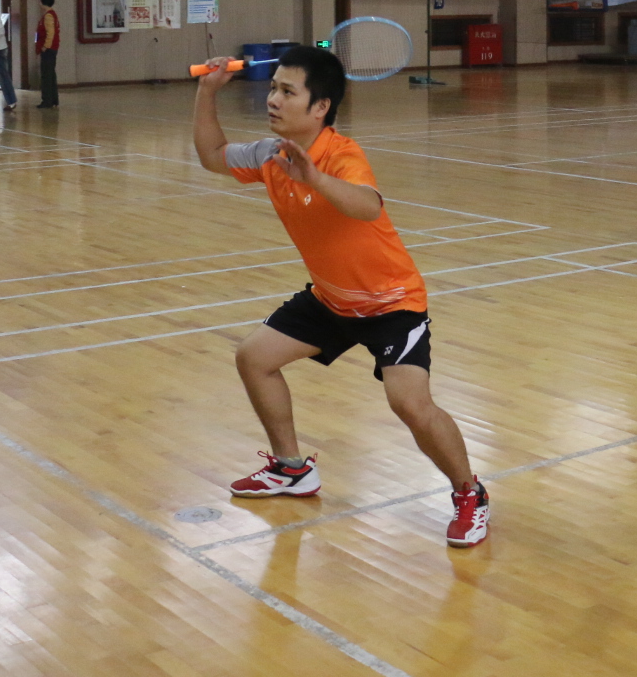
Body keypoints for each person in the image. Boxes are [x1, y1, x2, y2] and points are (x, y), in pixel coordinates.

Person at [192, 46, 489, 548]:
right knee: (254, 358)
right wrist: (206, 94)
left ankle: (469, 492)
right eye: (273, 88)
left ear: (320, 107)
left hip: (391, 302)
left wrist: (315, 179)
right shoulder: (270, 154)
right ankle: (292, 470)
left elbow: (368, 206)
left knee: (409, 404)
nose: (273, 99)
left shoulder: (341, 155)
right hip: (331, 299)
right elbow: (211, 156)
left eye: (288, 92)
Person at [35, 0, 61, 108]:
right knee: (50, 74)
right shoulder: (48, 14)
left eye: (39, 1)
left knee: (46, 75)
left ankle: (47, 101)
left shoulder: (48, 16)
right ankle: (53, 99)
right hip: (51, 48)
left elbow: (51, 33)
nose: (38, 4)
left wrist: (45, 46)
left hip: (49, 49)